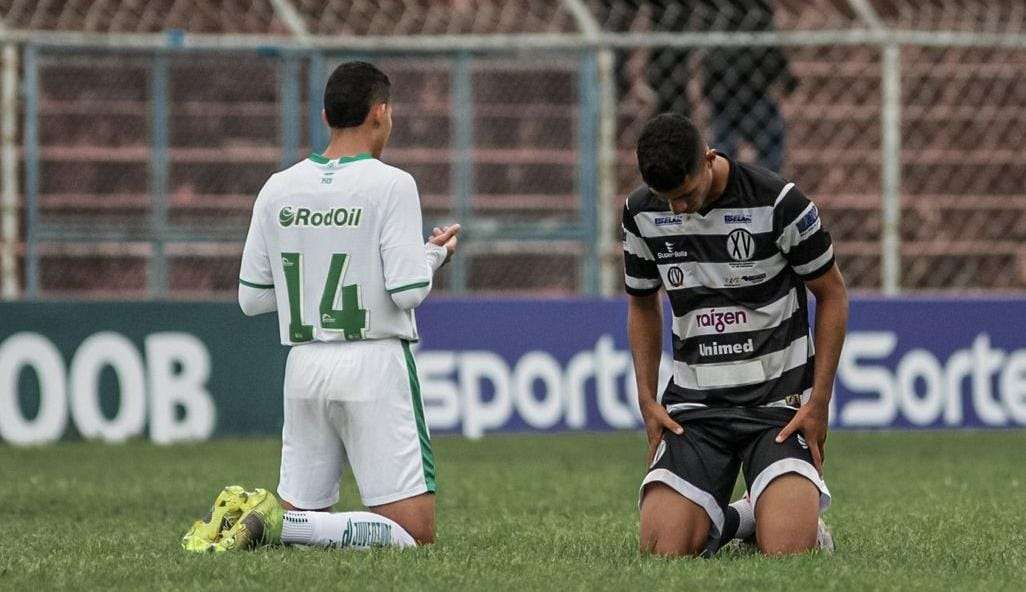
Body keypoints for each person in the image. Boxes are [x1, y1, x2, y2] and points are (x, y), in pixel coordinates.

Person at [182, 61, 460, 552]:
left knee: (305, 522)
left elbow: (252, 298)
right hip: (373, 362)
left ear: (326, 116)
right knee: (415, 535)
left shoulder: (278, 187)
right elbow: (409, 290)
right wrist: (434, 254)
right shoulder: (392, 183)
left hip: (305, 367)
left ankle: (271, 522)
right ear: (381, 113)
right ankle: (274, 522)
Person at [623, 113, 847, 556]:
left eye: (686, 195)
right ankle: (744, 517)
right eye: (668, 200)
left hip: (777, 407)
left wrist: (819, 401)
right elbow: (642, 303)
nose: (678, 209)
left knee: (789, 551)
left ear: (708, 159)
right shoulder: (641, 213)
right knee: (661, 548)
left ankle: (782, 518)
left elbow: (833, 295)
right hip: (697, 407)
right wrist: (647, 399)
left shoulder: (778, 203)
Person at [701, 0, 797, 172]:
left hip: (731, 88)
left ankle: (729, 180)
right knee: (769, 146)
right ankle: (765, 183)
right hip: (747, 89)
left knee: (726, 149)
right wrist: (785, 77)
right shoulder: (755, 10)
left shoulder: (717, 9)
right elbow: (770, 48)